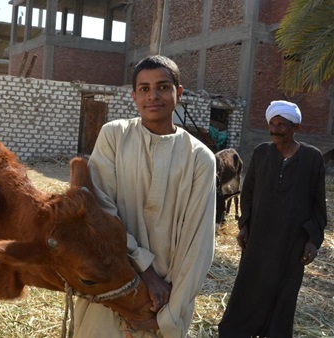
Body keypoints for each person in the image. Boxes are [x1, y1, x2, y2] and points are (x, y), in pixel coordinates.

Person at [73, 55, 216, 337]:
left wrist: (169, 315)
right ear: (134, 95)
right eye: (144, 88)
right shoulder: (114, 136)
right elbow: (101, 213)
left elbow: (198, 246)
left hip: (165, 299)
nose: (153, 96)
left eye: (163, 87)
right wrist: (145, 272)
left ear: (179, 93)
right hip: (112, 283)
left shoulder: (200, 159)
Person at [218, 100, 327, 337]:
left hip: (292, 242)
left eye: (282, 125)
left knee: (284, 293)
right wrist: (244, 225)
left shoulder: (312, 158)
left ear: (295, 127)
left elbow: (319, 205)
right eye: (272, 124)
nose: (275, 129)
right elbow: (247, 195)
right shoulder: (261, 153)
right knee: (249, 287)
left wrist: (312, 240)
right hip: (258, 238)